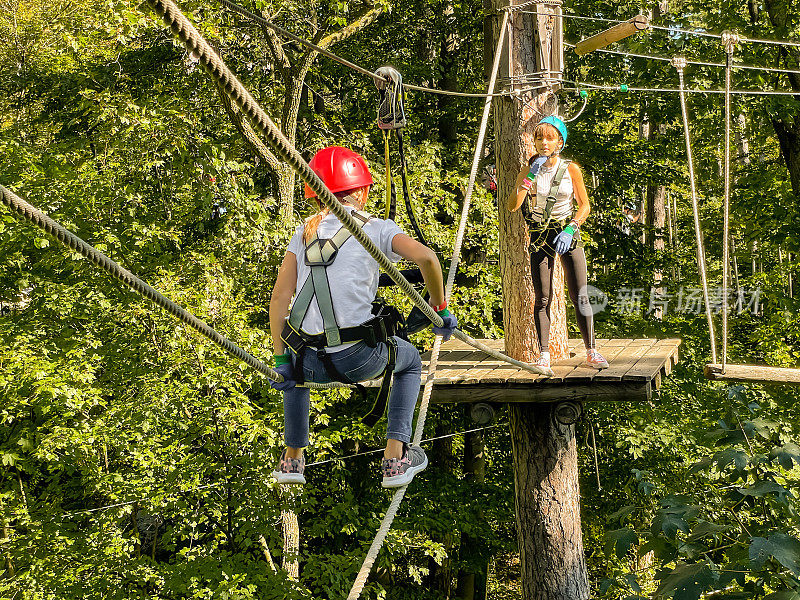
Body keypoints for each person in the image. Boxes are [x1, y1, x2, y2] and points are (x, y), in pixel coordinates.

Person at [269, 146, 457, 488]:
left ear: (315, 196)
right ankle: (395, 459)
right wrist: (439, 308)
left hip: (311, 361)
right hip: (359, 358)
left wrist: (281, 358)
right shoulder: (377, 229)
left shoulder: (303, 234)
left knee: (293, 369)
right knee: (411, 361)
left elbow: (280, 297)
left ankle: (292, 459)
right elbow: (428, 260)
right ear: (363, 191)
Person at [506, 116, 608, 371]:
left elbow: (584, 205)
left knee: (580, 294)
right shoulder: (529, 167)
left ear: (559, 142)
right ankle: (543, 355)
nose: (543, 143)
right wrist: (529, 175)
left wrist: (572, 227)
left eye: (549, 138)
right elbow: (513, 205)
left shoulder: (570, 169)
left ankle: (591, 351)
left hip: (566, 232)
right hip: (541, 235)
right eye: (539, 138)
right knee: (542, 298)